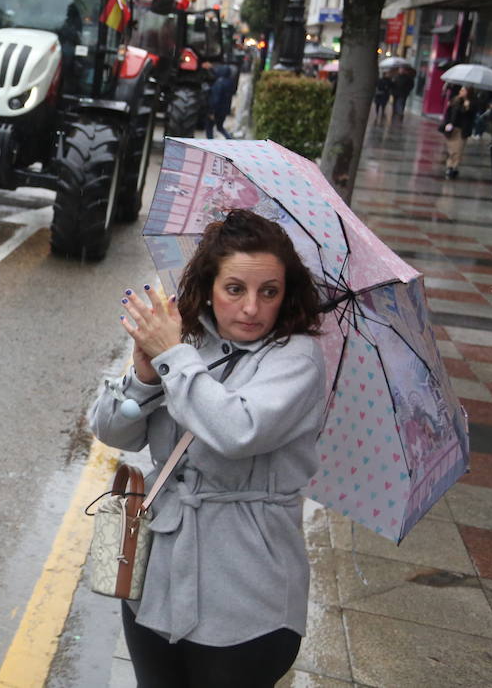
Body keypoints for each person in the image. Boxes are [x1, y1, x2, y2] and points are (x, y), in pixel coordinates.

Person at [89, 209, 325, 688]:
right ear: (209, 286)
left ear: (286, 294)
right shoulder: (187, 339)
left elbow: (238, 431)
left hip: (246, 591)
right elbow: (112, 430)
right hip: (156, 579)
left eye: (269, 292)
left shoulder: (296, 357)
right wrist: (144, 377)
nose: (252, 308)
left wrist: (173, 358)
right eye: (235, 289)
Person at [440, 85, 477, 178]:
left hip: (462, 130)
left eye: (463, 90)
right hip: (452, 129)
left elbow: (470, 117)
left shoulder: (472, 103)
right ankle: (450, 167)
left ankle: (453, 167)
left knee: (458, 150)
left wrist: (467, 107)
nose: (461, 91)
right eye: (461, 90)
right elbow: (448, 113)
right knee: (451, 150)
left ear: (468, 93)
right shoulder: (455, 100)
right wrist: (447, 123)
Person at [204, 62, 237, 140]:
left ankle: (210, 143)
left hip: (216, 111)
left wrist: (211, 112)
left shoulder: (219, 83)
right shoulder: (230, 82)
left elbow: (215, 99)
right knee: (220, 127)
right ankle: (230, 139)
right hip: (224, 111)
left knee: (209, 127)